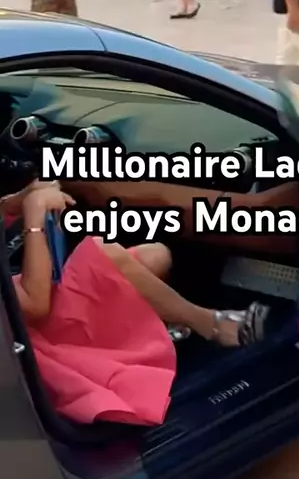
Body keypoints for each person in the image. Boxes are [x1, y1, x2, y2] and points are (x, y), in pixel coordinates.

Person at [2, 181, 268, 425]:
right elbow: (36, 305)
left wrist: (14, 202)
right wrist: (35, 218)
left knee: (155, 256)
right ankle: (209, 323)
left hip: (20, 301)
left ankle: (154, 332)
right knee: (103, 251)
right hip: (24, 337)